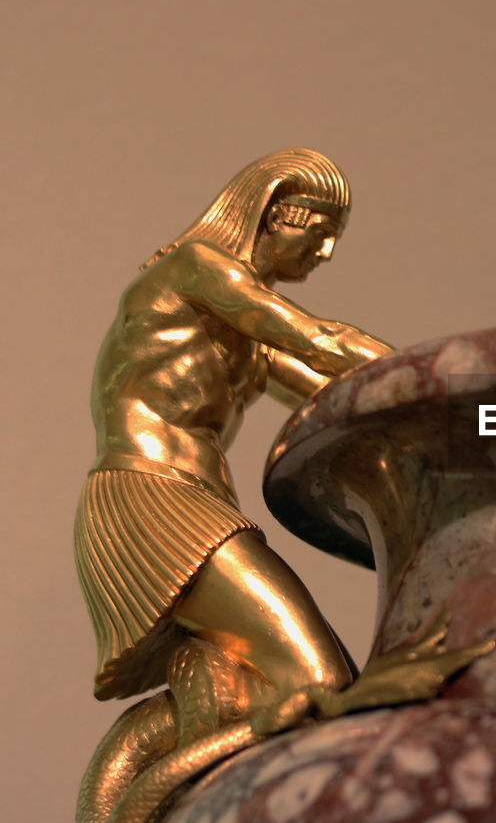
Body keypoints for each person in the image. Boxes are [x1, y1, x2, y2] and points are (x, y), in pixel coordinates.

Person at [76, 148, 390, 711]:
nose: (327, 252)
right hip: (154, 497)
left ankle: (202, 778)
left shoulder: (247, 335)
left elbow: (338, 396)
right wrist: (451, 386)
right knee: (321, 688)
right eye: (318, 232)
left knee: (331, 687)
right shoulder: (195, 268)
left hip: (198, 502)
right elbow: (324, 343)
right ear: (275, 216)